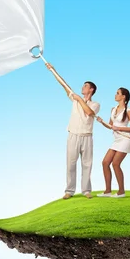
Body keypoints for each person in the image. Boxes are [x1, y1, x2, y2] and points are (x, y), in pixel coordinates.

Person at [45, 62, 100, 199]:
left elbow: (88, 112)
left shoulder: (95, 104)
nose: (82, 87)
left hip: (87, 137)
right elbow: (64, 85)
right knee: (71, 164)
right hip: (73, 135)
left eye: (85, 86)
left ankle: (86, 190)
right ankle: (69, 191)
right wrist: (53, 70)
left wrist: (80, 99)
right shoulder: (75, 100)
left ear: (91, 89)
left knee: (87, 164)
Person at [96, 87, 130, 198]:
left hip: (125, 139)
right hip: (116, 140)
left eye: (118, 93)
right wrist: (101, 122)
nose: (115, 95)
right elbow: (110, 126)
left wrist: (120, 128)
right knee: (105, 162)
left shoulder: (128, 110)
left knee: (115, 164)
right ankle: (108, 190)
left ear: (123, 96)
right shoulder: (113, 109)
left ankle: (121, 191)